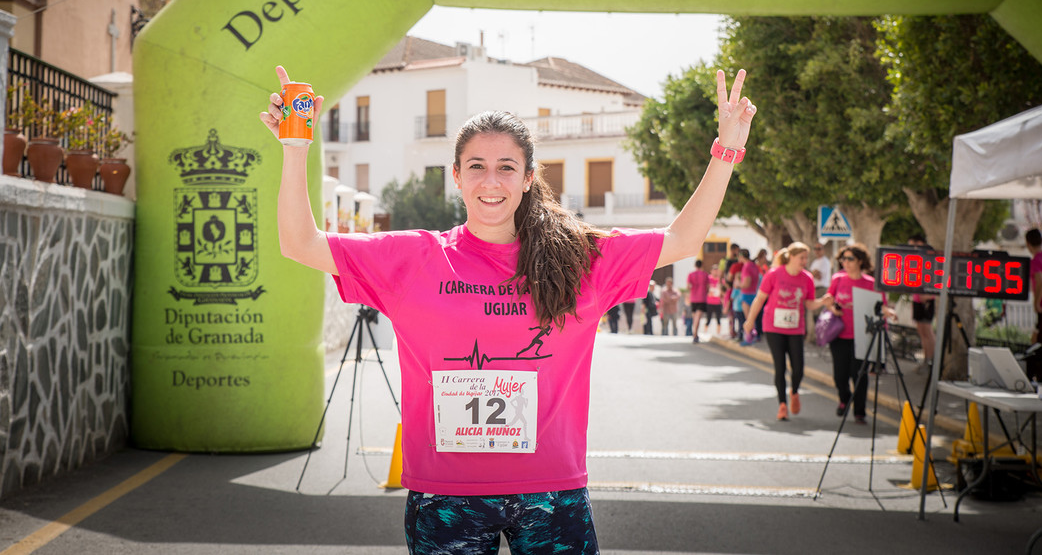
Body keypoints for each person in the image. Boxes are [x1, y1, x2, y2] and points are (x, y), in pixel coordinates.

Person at [260, 64, 756, 553]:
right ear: (455, 176)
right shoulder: (412, 257)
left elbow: (683, 238)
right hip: (446, 494)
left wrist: (727, 149)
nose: (490, 180)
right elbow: (300, 243)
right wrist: (295, 146)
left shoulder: (580, 256)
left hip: (552, 492)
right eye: (475, 166)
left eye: (506, 168)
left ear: (527, 177)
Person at [743, 242, 828, 420]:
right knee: (780, 367)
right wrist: (750, 321)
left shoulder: (807, 278)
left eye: (806, 258)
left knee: (798, 369)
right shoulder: (774, 274)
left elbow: (809, 303)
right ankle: (782, 405)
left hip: (795, 328)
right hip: (773, 327)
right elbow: (759, 299)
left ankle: (794, 392)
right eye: (801, 258)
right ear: (791, 257)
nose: (805, 261)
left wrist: (822, 302)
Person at [821, 243, 889, 424]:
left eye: (850, 258)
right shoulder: (838, 279)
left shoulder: (870, 283)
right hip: (839, 335)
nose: (846, 262)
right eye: (843, 259)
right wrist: (831, 306)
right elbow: (830, 301)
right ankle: (844, 399)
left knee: (858, 375)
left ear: (860, 261)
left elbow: (880, 308)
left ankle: (860, 411)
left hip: (862, 337)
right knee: (839, 376)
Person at [906, 234, 937, 371]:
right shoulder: (915, 260)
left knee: (928, 331)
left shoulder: (929, 259)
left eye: (914, 245)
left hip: (927, 300)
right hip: (917, 299)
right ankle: (926, 359)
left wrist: (929, 295)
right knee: (921, 331)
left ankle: (932, 360)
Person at [738, 248, 762, 344]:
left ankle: (749, 339)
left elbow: (746, 284)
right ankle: (755, 337)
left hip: (746, 294)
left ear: (741, 256)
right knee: (753, 318)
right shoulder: (754, 266)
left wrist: (738, 284)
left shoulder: (746, 266)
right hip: (754, 293)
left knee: (749, 319)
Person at [687, 259, 710, 343]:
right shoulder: (705, 274)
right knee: (698, 318)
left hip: (693, 298)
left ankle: (695, 334)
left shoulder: (691, 274)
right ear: (702, 265)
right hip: (702, 298)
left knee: (695, 318)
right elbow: (708, 287)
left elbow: (688, 287)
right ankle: (695, 335)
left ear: (695, 265)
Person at [704, 263, 724, 336]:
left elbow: (723, 291)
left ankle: (718, 333)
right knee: (708, 319)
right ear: (711, 271)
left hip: (718, 302)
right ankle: (705, 332)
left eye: (717, 270)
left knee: (718, 319)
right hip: (709, 302)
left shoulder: (721, 280)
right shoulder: (708, 279)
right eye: (714, 270)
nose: (715, 272)